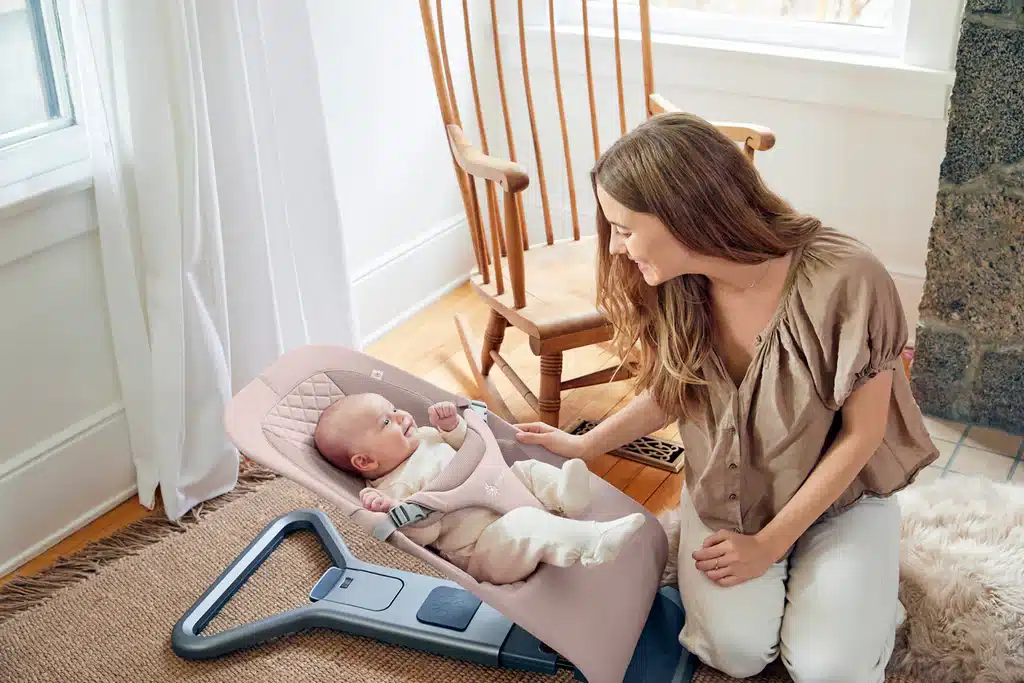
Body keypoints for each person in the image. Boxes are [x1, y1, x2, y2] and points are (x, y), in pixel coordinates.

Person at [514, 112, 938, 682]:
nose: (616, 248)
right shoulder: (674, 286)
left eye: (624, 227)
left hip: (841, 498)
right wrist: (580, 446)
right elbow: (672, 392)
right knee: (735, 652)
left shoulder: (846, 278)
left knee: (828, 669)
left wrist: (769, 545)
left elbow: (865, 434)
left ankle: (862, 593)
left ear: (685, 213)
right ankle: (837, 598)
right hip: (729, 490)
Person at [313, 392, 645, 584]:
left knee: (525, 470)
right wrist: (390, 511)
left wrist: (452, 426)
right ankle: (591, 540)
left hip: (506, 488)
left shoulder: (427, 437)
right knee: (523, 526)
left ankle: (566, 496)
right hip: (485, 548)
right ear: (365, 462)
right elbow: (422, 537)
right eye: (387, 422)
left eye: (394, 410)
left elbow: (468, 445)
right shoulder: (395, 488)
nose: (401, 416)